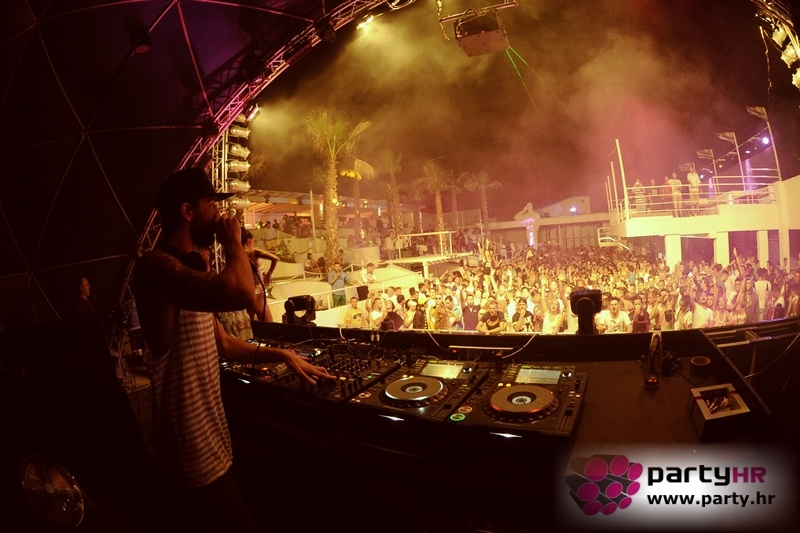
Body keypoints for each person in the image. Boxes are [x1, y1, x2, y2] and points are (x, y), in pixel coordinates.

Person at [131, 168, 333, 532]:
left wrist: (283, 355)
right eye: (211, 204)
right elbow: (240, 292)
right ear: (187, 211)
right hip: (189, 446)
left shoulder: (187, 273)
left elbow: (224, 344)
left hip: (212, 436)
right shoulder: (156, 268)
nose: (219, 214)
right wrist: (233, 242)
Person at [241, 230, 279, 322]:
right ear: (249, 241)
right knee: (268, 324)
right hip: (258, 294)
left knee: (251, 324)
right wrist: (269, 274)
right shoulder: (254, 252)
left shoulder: (239, 255)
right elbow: (275, 259)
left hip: (247, 293)